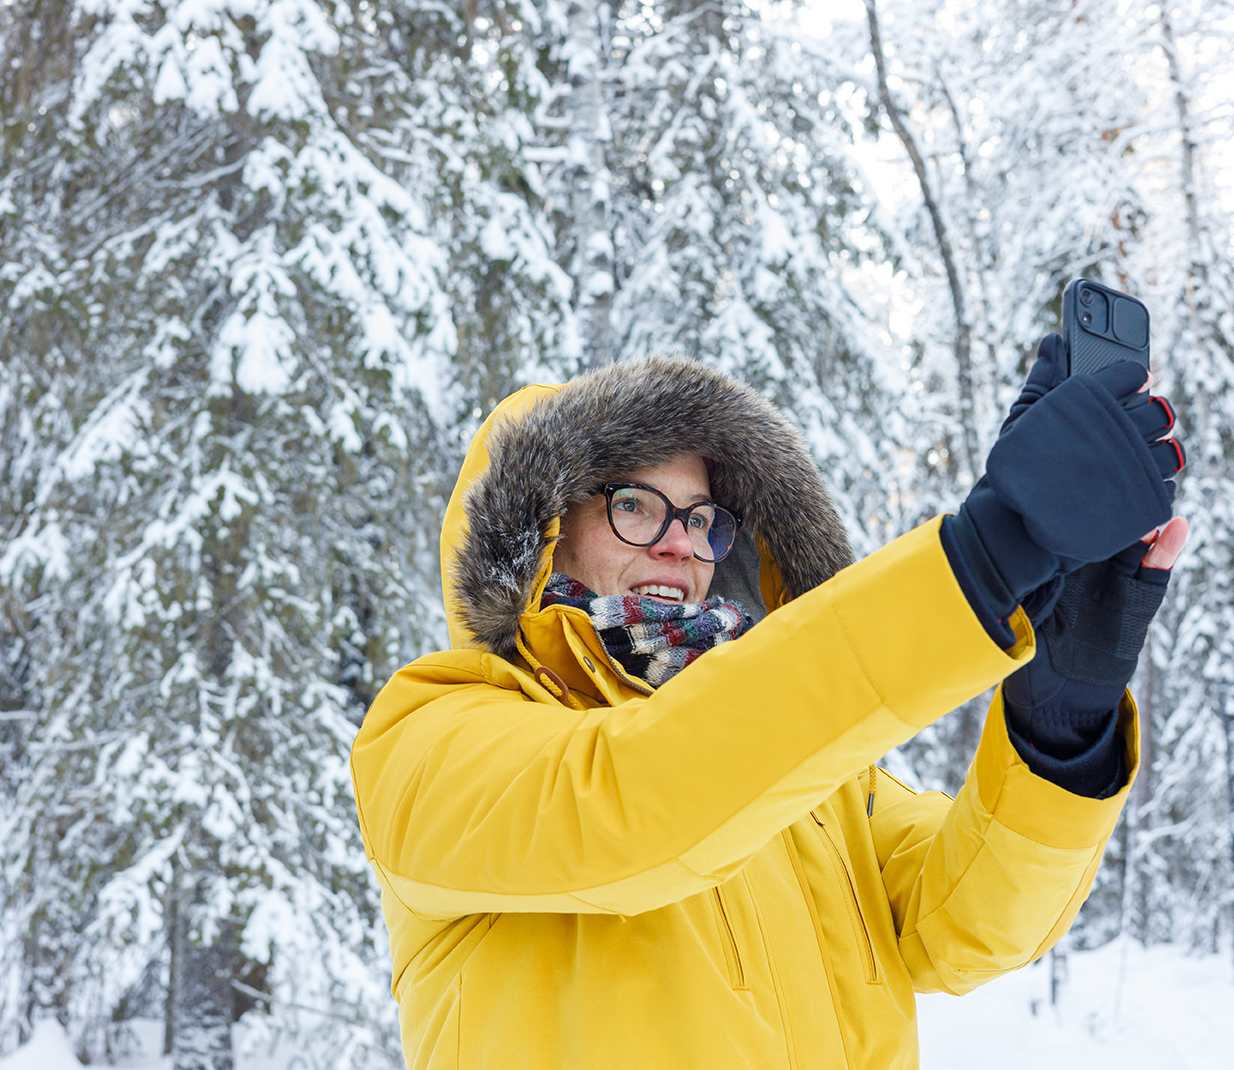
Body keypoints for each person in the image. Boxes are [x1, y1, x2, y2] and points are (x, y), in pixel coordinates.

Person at [350, 338, 1187, 1069]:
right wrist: (974, 566)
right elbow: (633, 800)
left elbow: (967, 926)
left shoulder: (814, 780)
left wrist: (1062, 725)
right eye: (635, 505)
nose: (681, 543)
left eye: (705, 518)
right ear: (545, 524)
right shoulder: (432, 734)